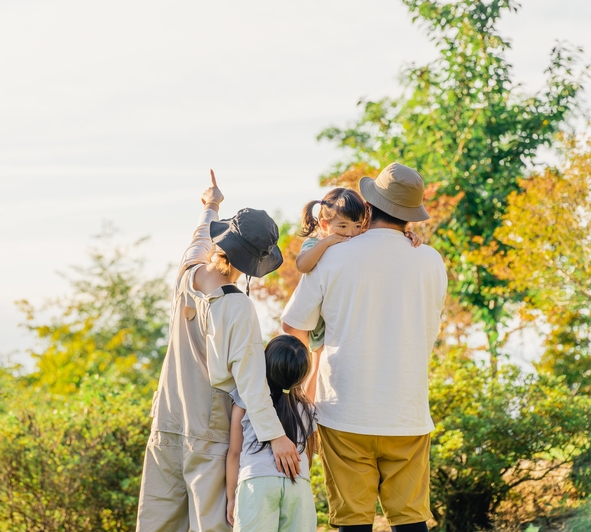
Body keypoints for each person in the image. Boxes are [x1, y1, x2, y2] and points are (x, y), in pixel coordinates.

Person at [281, 163, 448, 532]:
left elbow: (294, 325)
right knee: (410, 520)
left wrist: (301, 391)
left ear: (368, 207)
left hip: (344, 412)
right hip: (407, 412)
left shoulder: (332, 256)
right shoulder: (432, 261)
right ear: (411, 215)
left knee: (352, 522)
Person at [136, 171, 300, 532]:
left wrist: (211, 203)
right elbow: (251, 383)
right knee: (211, 526)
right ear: (254, 262)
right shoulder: (237, 307)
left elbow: (199, 236)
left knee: (157, 524)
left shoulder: (187, 274)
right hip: (208, 431)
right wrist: (278, 437)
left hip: (166, 421)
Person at [294, 187, 421, 399]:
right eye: (342, 226)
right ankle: (308, 405)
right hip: (319, 316)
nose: (351, 232)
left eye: (357, 225)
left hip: (339, 312)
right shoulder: (317, 242)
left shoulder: (354, 239)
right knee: (318, 362)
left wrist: (405, 235)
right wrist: (326, 242)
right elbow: (302, 265)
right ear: (325, 225)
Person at [226, 334, 318, 532]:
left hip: (257, 483)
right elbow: (308, 457)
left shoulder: (247, 399)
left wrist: (231, 498)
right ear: (302, 374)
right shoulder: (308, 409)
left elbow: (234, 453)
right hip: (298, 485)